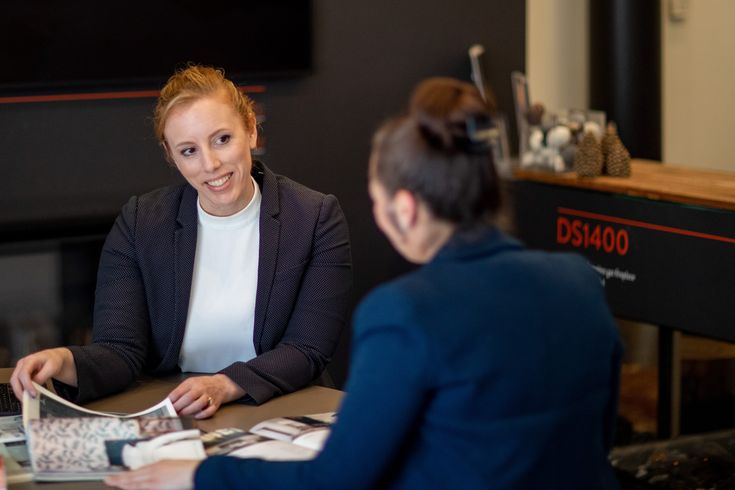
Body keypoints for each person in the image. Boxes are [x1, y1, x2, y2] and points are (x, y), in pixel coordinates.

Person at [106, 77, 622, 489]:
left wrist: (199, 475)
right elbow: (594, 441)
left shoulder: (403, 313)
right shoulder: (579, 282)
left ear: (405, 208)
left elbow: (336, 479)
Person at [10, 65, 352, 418]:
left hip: (281, 406)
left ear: (251, 129)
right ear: (170, 155)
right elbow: (120, 350)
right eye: (189, 151)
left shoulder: (315, 217)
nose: (211, 164)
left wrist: (224, 384)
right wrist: (63, 359)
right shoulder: (141, 222)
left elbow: (306, 349)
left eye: (222, 139)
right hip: (178, 409)